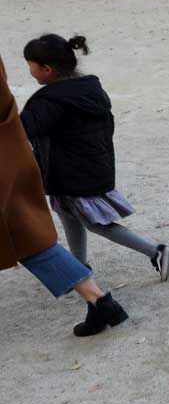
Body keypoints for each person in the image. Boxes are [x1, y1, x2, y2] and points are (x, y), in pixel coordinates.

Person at [21, 34, 169, 279]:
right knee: (68, 214)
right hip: (91, 165)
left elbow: (23, 130)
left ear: (47, 69)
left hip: (72, 173)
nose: (29, 71)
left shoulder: (48, 101)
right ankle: (79, 268)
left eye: (30, 65)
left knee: (95, 223)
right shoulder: (89, 88)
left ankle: (156, 251)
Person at [1, 54, 130, 337]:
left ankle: (107, 294)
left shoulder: (50, 101)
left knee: (31, 232)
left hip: (47, 167)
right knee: (26, 234)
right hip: (12, 152)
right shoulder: (86, 90)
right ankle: (99, 301)